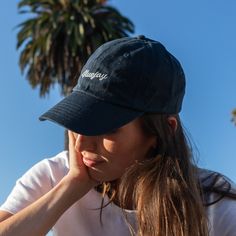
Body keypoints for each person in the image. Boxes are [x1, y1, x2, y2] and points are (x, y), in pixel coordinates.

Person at [0, 35, 236, 236]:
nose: (81, 144)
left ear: (163, 132)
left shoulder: (214, 202)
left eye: (106, 127)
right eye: (79, 121)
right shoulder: (55, 175)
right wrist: (71, 187)